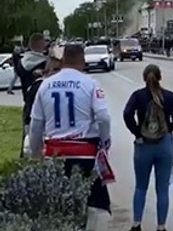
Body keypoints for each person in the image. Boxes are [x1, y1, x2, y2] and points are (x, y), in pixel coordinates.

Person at [28, 44, 113, 227]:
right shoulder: (90, 83)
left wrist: (36, 154)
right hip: (84, 154)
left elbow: (35, 125)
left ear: (63, 60)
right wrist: (105, 143)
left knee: (58, 207)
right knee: (91, 206)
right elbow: (103, 118)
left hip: (55, 155)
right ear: (82, 61)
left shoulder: (45, 85)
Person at [124, 64, 173, 231]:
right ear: (160, 77)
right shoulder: (170, 96)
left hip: (143, 146)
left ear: (144, 78)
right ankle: (161, 226)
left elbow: (127, 114)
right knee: (162, 188)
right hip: (164, 145)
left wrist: (137, 132)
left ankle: (136, 224)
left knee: (140, 187)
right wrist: (168, 129)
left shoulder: (137, 96)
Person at [20, 57, 62, 158]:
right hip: (44, 136)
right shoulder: (39, 87)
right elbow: (30, 117)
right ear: (48, 71)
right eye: (57, 69)